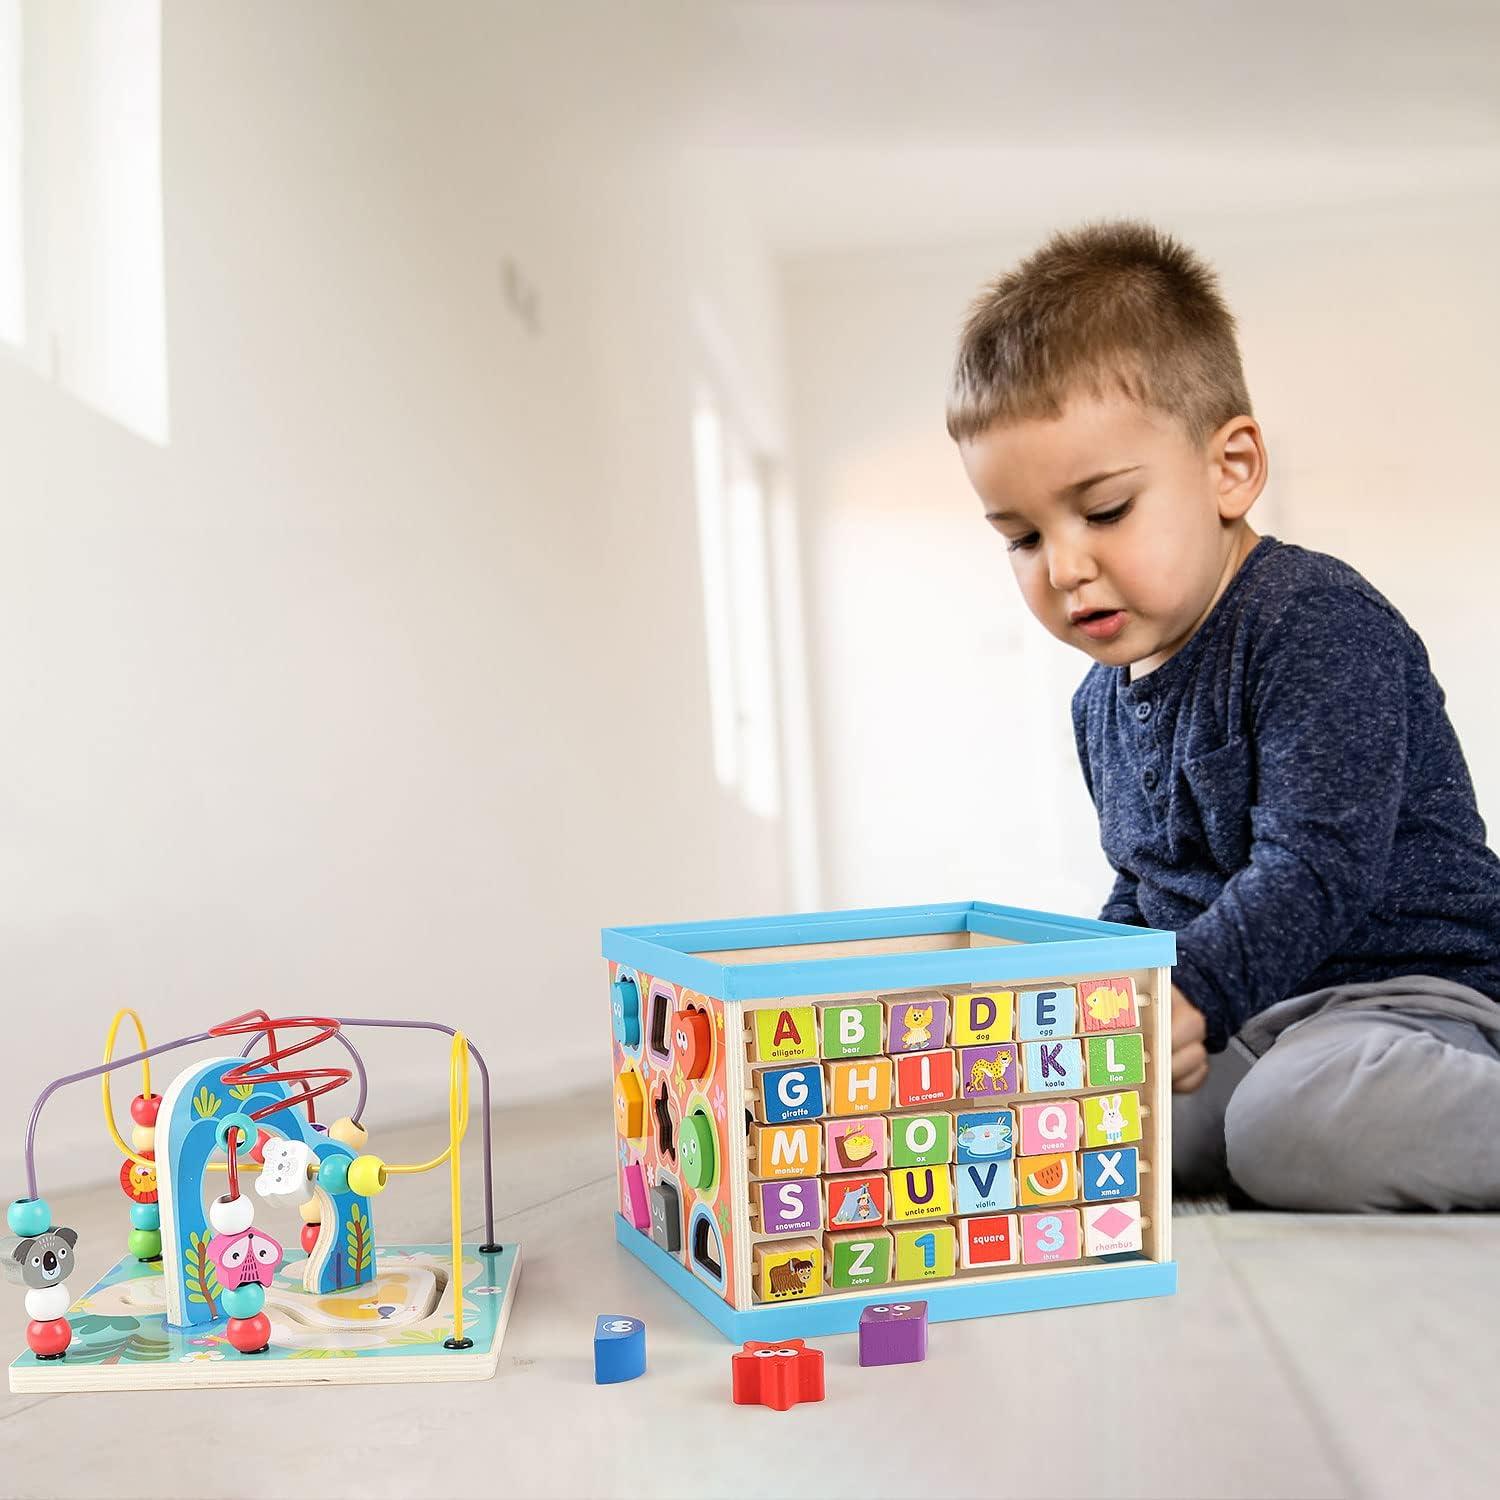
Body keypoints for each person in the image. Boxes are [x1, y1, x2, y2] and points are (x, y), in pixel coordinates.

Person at [945, 218, 1500, 1211]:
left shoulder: (1311, 620)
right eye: (1023, 537)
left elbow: (1317, 867)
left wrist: (1186, 993)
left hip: (1410, 999)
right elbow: (1148, 890)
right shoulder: (1098, 703)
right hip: (1255, 1018)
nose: (1065, 565)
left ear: (1230, 470)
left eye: (1105, 510)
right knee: (1092, 1127)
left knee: (1298, 1129)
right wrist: (1092, 1010)